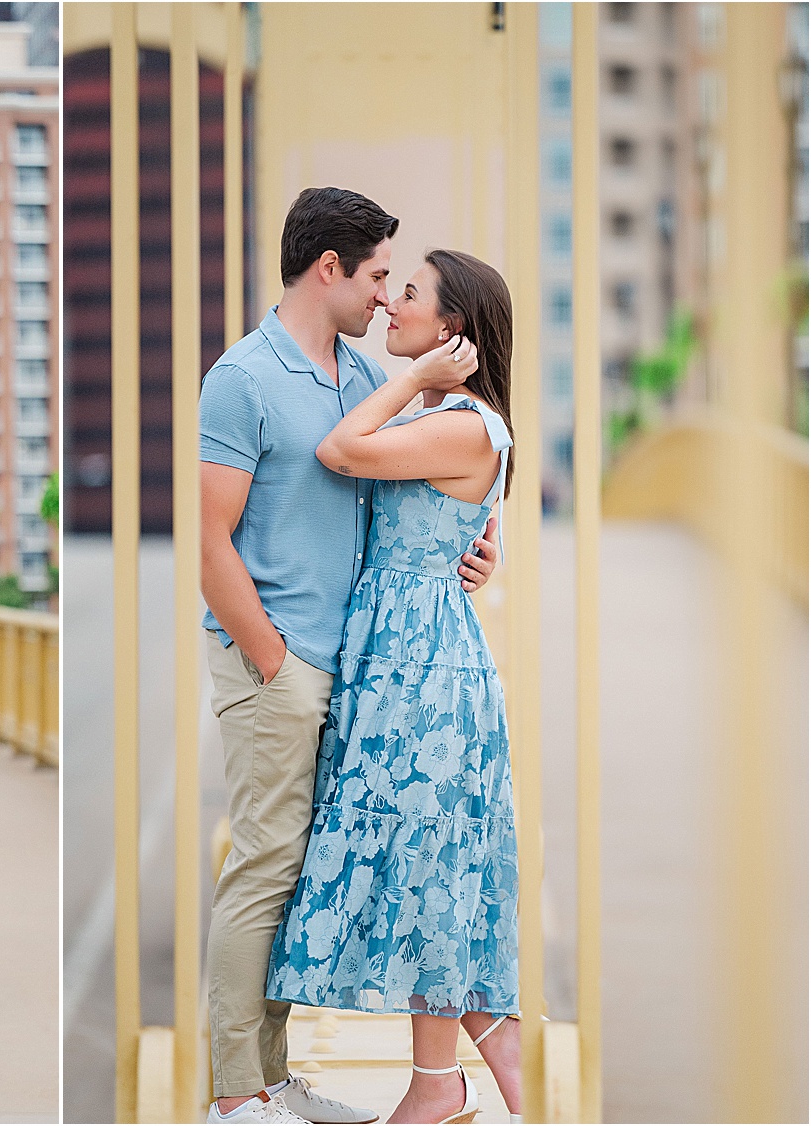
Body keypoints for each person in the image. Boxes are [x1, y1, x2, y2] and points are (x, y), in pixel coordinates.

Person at [199, 187, 498, 1125]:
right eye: (375, 276)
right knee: (263, 866)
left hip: (361, 669)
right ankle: (236, 1093)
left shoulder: (359, 378)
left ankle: (275, 1078)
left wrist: (469, 551)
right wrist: (272, 660)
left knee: (293, 869)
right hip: (280, 663)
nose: (383, 296)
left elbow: (410, 494)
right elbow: (211, 542)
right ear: (328, 269)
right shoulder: (242, 378)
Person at [265, 249, 523, 1125]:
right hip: (396, 658)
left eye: (408, 295)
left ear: (450, 331)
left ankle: (444, 1087)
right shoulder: (441, 416)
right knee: (425, 866)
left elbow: (341, 449)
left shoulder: (459, 420)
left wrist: (409, 379)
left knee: (428, 864)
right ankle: (467, 1086)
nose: (389, 305)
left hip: (420, 673)